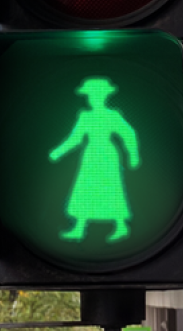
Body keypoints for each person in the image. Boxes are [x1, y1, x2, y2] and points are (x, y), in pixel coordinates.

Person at [49, 77, 140, 243]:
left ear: (104, 96)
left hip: (107, 154)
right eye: (90, 96)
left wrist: (133, 154)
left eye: (96, 95)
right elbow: (75, 138)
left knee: (110, 189)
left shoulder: (113, 115)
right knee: (86, 189)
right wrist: (59, 151)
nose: (93, 99)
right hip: (91, 155)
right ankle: (79, 228)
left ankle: (121, 226)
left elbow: (129, 134)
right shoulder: (85, 117)